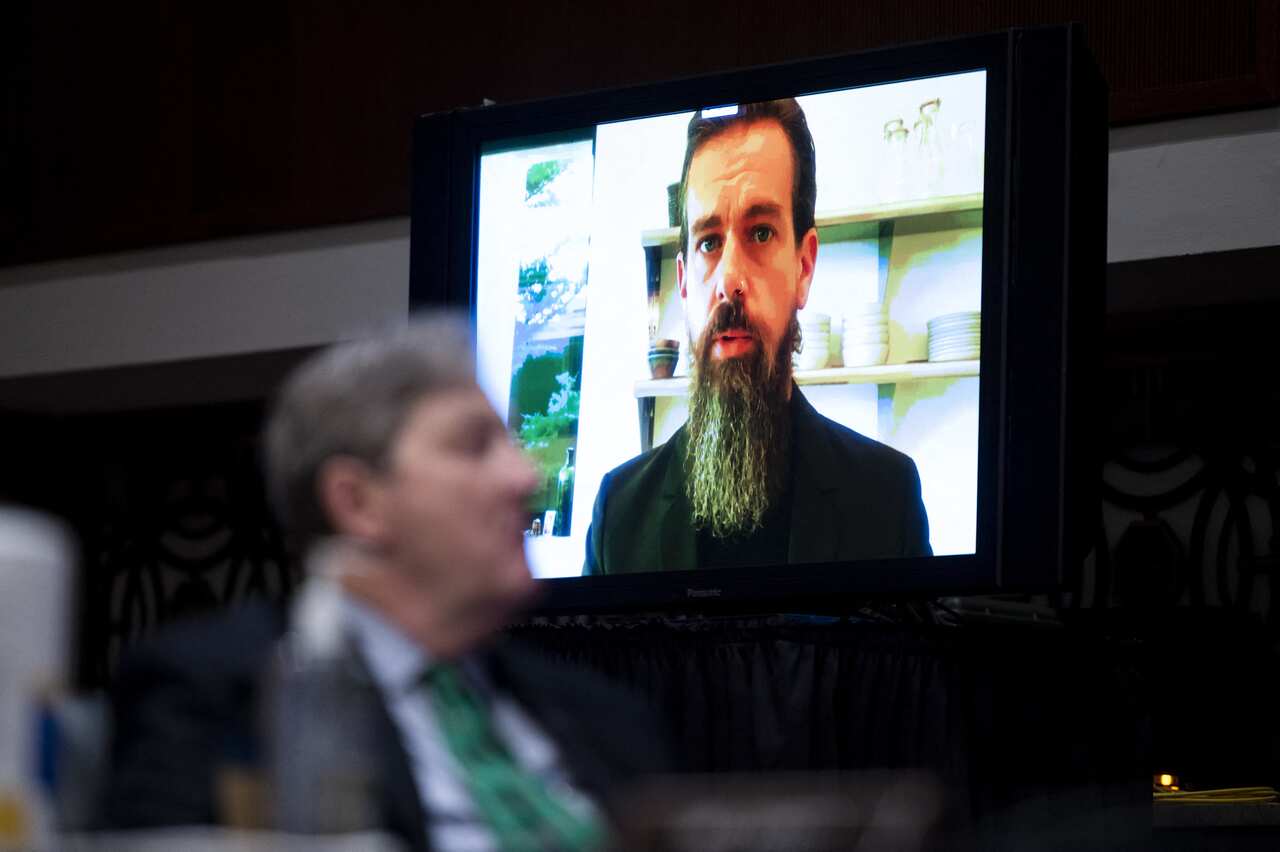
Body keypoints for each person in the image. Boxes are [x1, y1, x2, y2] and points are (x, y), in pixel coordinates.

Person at [104, 315, 670, 850]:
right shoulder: (216, 694)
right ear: (358, 503)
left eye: (513, 445)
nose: (525, 476)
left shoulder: (608, 717)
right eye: (475, 446)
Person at [585, 99, 931, 575]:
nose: (729, 278)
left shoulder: (887, 499)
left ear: (804, 267)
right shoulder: (619, 516)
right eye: (709, 241)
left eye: (761, 233)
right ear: (684, 284)